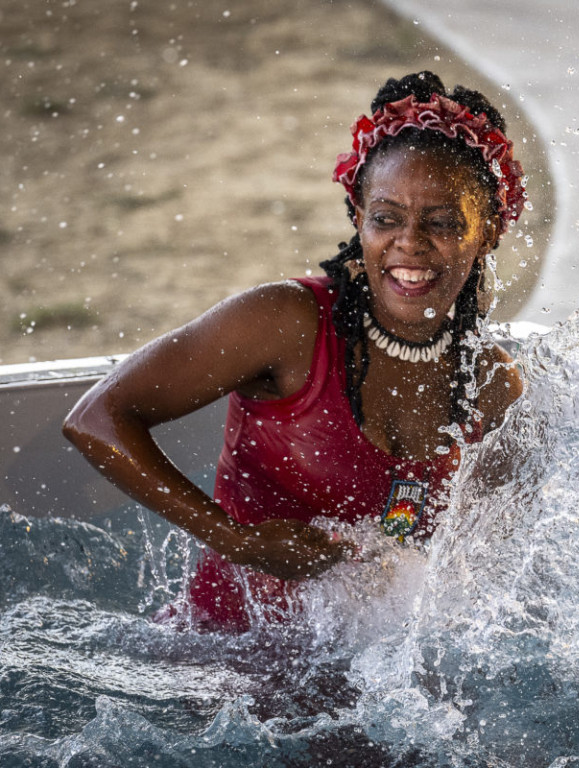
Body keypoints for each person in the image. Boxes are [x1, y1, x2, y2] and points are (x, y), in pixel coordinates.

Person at [62, 71, 526, 632]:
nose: (409, 243)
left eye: (444, 223)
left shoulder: (490, 386)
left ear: (491, 229)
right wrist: (239, 542)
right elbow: (96, 419)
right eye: (386, 219)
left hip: (371, 698)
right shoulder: (288, 324)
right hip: (214, 674)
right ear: (358, 216)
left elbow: (480, 578)